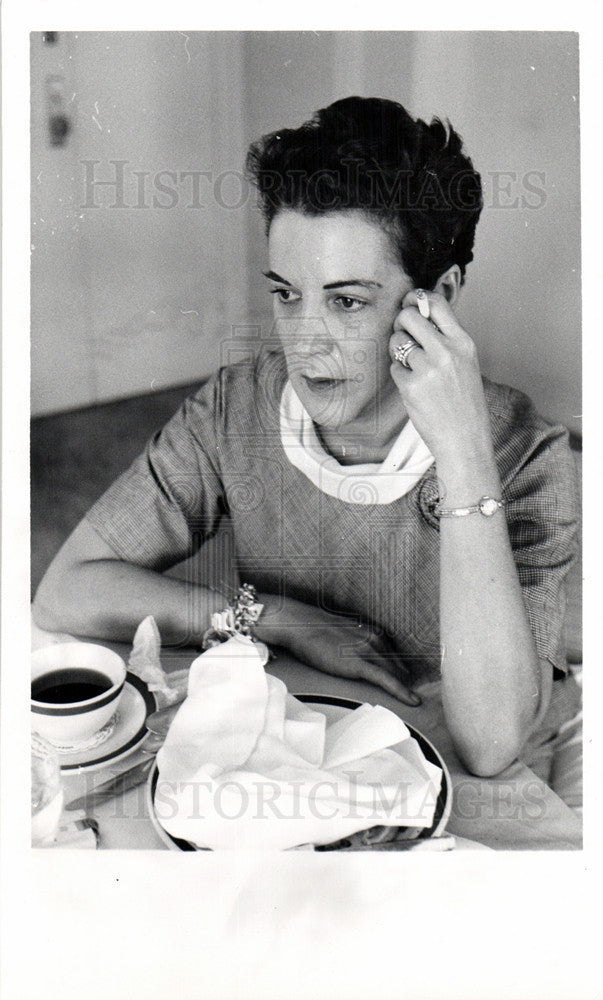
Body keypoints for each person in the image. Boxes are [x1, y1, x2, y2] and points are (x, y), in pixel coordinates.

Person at [33, 96, 580, 779]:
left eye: (346, 301)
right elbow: (64, 593)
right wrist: (278, 618)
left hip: (450, 771)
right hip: (300, 756)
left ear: (438, 294)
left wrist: (464, 454)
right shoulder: (237, 407)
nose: (303, 339)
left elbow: (491, 743)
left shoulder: (527, 455)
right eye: (287, 294)